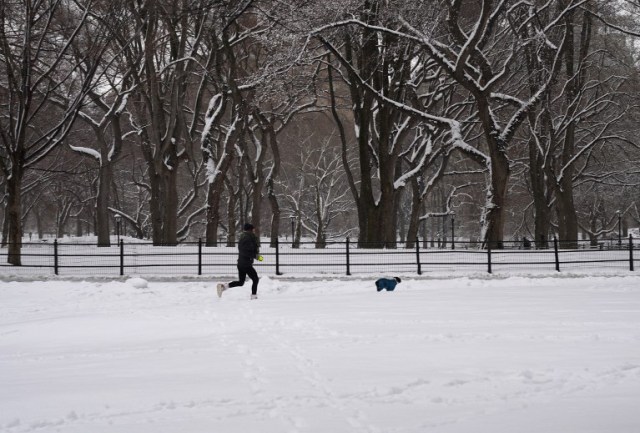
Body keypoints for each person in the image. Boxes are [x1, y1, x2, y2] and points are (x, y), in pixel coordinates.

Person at [217, 223, 260, 299]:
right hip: (246, 264)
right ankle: (254, 296)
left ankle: (223, 287)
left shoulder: (245, 237)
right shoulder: (247, 238)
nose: (254, 230)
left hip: (242, 263)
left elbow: (246, 250)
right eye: (253, 229)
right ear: (250, 229)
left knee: (241, 282)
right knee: (255, 279)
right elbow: (244, 251)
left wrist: (255, 255)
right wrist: (255, 256)